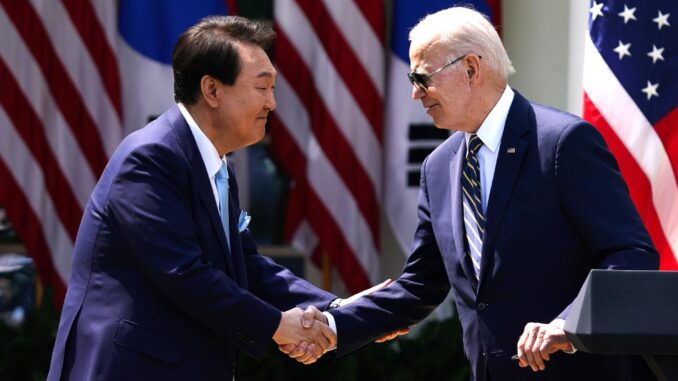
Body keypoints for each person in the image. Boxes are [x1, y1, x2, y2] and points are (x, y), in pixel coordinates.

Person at [287, 6, 659, 381]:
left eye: (421, 77)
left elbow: (631, 254)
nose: (415, 94)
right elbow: (420, 285)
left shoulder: (562, 144)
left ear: (470, 68)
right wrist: (334, 326)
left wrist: (568, 326)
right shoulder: (439, 167)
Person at [47, 16, 339, 381]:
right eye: (262, 88)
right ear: (212, 90)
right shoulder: (150, 157)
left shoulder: (217, 166)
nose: (272, 104)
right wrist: (280, 326)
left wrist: (334, 307)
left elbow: (246, 266)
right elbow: (184, 273)